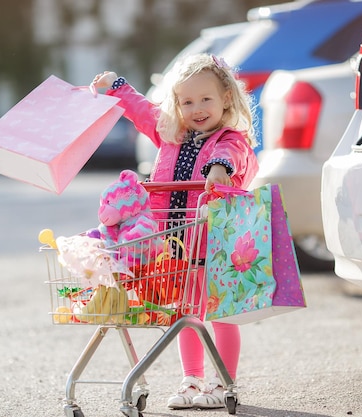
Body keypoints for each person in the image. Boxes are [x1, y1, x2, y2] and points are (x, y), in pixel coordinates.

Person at [92, 53, 259, 409]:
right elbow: (142, 111)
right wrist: (115, 87)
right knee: (185, 314)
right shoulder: (172, 133)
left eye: (205, 99)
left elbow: (235, 156)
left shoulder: (231, 139)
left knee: (220, 313)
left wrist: (218, 168)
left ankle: (222, 383)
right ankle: (192, 380)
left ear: (226, 98)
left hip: (214, 243)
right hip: (175, 243)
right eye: (187, 101)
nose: (197, 108)